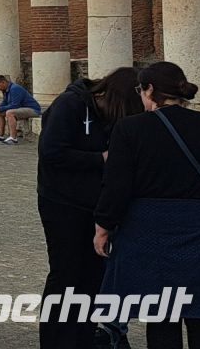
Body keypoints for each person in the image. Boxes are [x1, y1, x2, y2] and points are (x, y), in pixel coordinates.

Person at [95, 62, 200, 347]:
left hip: (151, 230)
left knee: (161, 316)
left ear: (149, 90)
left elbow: (116, 186)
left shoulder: (131, 128)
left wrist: (103, 227)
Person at [36, 67, 140, 348]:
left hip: (96, 206)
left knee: (94, 276)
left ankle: (83, 337)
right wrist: (100, 159)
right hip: (62, 203)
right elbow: (51, 152)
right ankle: (56, 340)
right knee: (66, 273)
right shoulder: (69, 105)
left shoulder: (110, 117)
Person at [0, 75, 42, 144]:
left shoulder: (15, 88)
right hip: (21, 109)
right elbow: (5, 102)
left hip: (33, 110)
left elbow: (15, 105)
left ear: (3, 82)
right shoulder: (5, 90)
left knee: (10, 112)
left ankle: (13, 138)